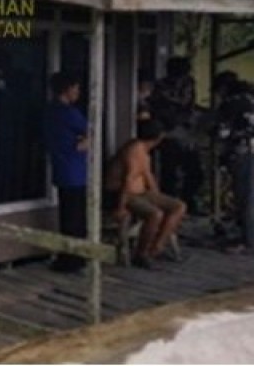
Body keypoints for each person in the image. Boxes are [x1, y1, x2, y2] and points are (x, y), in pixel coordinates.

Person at [105, 118, 187, 268]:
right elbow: (128, 179)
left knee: (178, 206)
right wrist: (121, 207)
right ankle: (141, 254)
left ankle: (157, 246)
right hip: (122, 193)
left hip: (141, 192)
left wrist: (157, 196)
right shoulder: (134, 150)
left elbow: (148, 175)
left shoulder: (144, 150)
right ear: (159, 137)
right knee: (155, 214)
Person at [215, 78, 254, 255]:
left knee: (248, 199)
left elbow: (222, 131)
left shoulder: (231, 103)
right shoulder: (253, 102)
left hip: (246, 153)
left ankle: (249, 242)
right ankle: (251, 236)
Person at [43, 72, 90, 273]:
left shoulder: (49, 112)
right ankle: (75, 258)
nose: (78, 92)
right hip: (75, 172)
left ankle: (70, 257)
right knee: (76, 218)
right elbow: (90, 129)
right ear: (67, 89)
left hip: (61, 169)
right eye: (76, 88)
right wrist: (85, 142)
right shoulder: (69, 113)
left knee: (67, 216)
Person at [150, 57, 204, 213]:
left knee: (195, 171)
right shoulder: (161, 86)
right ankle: (170, 203)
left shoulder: (188, 83)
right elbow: (162, 107)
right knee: (169, 172)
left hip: (186, 131)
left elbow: (189, 104)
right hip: (168, 133)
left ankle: (188, 199)